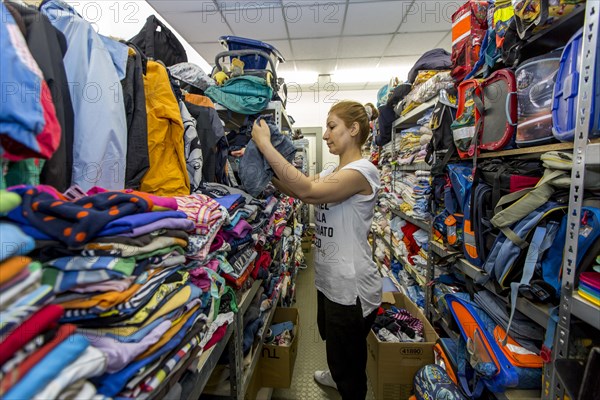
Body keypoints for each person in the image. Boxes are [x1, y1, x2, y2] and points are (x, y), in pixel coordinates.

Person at [251, 100, 382, 400]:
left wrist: (266, 146)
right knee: (335, 344)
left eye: (332, 126)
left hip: (352, 287)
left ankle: (348, 387)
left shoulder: (363, 172)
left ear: (354, 129)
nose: (325, 135)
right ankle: (338, 376)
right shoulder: (333, 171)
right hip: (331, 280)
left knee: (349, 362)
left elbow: (308, 191)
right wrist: (266, 175)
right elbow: (303, 186)